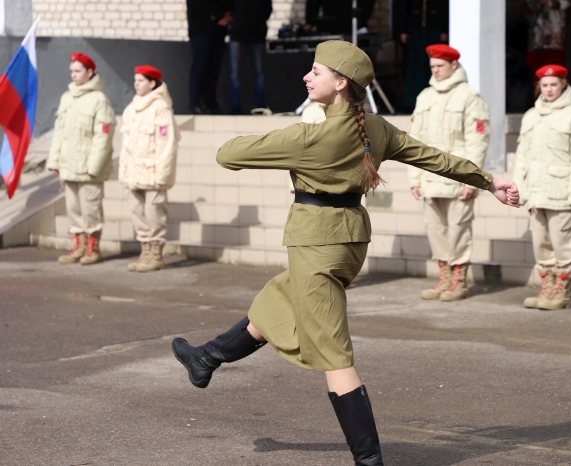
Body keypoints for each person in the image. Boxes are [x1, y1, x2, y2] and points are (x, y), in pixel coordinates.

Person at [171, 40, 520, 465]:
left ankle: (368, 461)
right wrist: (488, 181)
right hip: (348, 243)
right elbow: (433, 158)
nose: (306, 76)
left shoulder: (308, 135)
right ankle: (206, 359)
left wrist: (284, 141)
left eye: (315, 72)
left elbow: (228, 154)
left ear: (340, 83)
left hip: (314, 245)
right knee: (277, 301)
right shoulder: (376, 128)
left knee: (335, 357)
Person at [408, 44, 490, 302]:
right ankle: (444, 277)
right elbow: (414, 143)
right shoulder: (425, 97)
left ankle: (459, 280)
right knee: (435, 229)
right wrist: (415, 178)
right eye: (432, 67)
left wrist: (473, 180)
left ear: (454, 65)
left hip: (459, 177)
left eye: (440, 66)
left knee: (458, 229)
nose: (436, 71)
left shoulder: (469, 96)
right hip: (431, 178)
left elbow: (478, 141)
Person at [513, 64, 571, 310]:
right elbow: (522, 156)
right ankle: (547, 286)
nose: (548, 89)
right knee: (541, 243)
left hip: (562, 192)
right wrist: (519, 190)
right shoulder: (531, 116)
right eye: (544, 85)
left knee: (562, 242)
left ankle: (562, 291)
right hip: (536, 193)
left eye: (553, 84)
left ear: (563, 85)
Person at [47, 52, 116, 266]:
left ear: (90, 72)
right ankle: (78, 245)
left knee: (90, 208)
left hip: (88, 167)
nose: (73, 75)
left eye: (78, 71)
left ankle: (92, 248)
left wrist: (94, 167)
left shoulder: (99, 100)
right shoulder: (67, 97)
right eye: (71, 71)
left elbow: (103, 137)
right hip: (69, 164)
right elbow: (59, 133)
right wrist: (54, 161)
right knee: (73, 207)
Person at [118, 65, 180, 273]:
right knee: (137, 213)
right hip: (134, 173)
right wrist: (124, 172)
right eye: (135, 80)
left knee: (154, 213)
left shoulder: (161, 107)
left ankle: (156, 253)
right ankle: (145, 251)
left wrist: (162, 174)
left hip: (153, 173)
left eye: (141, 80)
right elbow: (126, 146)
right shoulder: (131, 109)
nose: (137, 84)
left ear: (153, 83)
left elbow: (167, 144)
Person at [393, 0, 449, 110]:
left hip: (434, 30)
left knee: (433, 65)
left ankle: (435, 100)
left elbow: (445, 7)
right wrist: (403, 30)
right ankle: (412, 102)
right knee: (415, 67)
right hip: (415, 31)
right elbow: (402, 9)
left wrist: (444, 29)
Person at [225, 0, 272, 114]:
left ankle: (257, 106)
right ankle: (238, 107)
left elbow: (267, 9)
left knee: (256, 73)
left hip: (253, 34)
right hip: (242, 33)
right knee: (237, 73)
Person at [186, 0, 231, 114]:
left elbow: (229, 4)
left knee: (214, 70)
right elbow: (200, 5)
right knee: (199, 68)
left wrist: (227, 17)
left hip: (218, 32)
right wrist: (220, 16)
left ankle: (211, 104)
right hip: (200, 31)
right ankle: (195, 103)